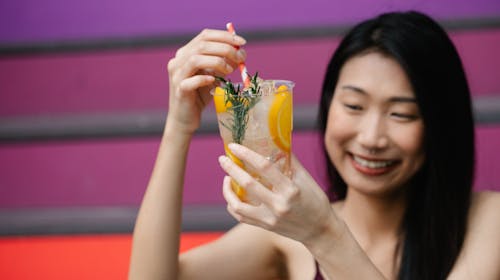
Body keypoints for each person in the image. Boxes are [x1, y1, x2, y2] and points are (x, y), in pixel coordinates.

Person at [128, 11, 500, 279]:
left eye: (401, 114)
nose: (371, 137)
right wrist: (179, 126)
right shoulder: (284, 237)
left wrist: (324, 234)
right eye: (353, 106)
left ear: (440, 123)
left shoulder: (489, 220)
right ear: (327, 107)